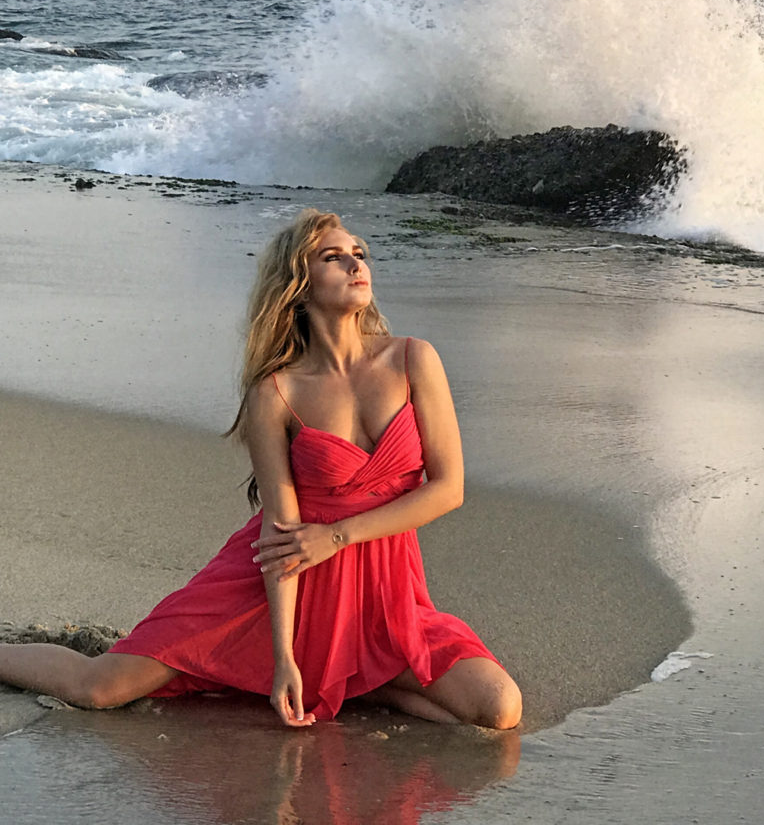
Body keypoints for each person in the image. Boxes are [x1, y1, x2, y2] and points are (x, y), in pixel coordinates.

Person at [0, 209, 522, 730]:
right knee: (101, 687)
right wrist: (283, 658)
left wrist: (337, 536)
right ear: (299, 283)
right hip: (276, 587)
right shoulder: (276, 392)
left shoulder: (413, 359)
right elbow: (281, 531)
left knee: (498, 707)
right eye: (333, 257)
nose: (355, 265)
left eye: (359, 254)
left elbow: (448, 489)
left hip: (382, 595)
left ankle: (359, 679)